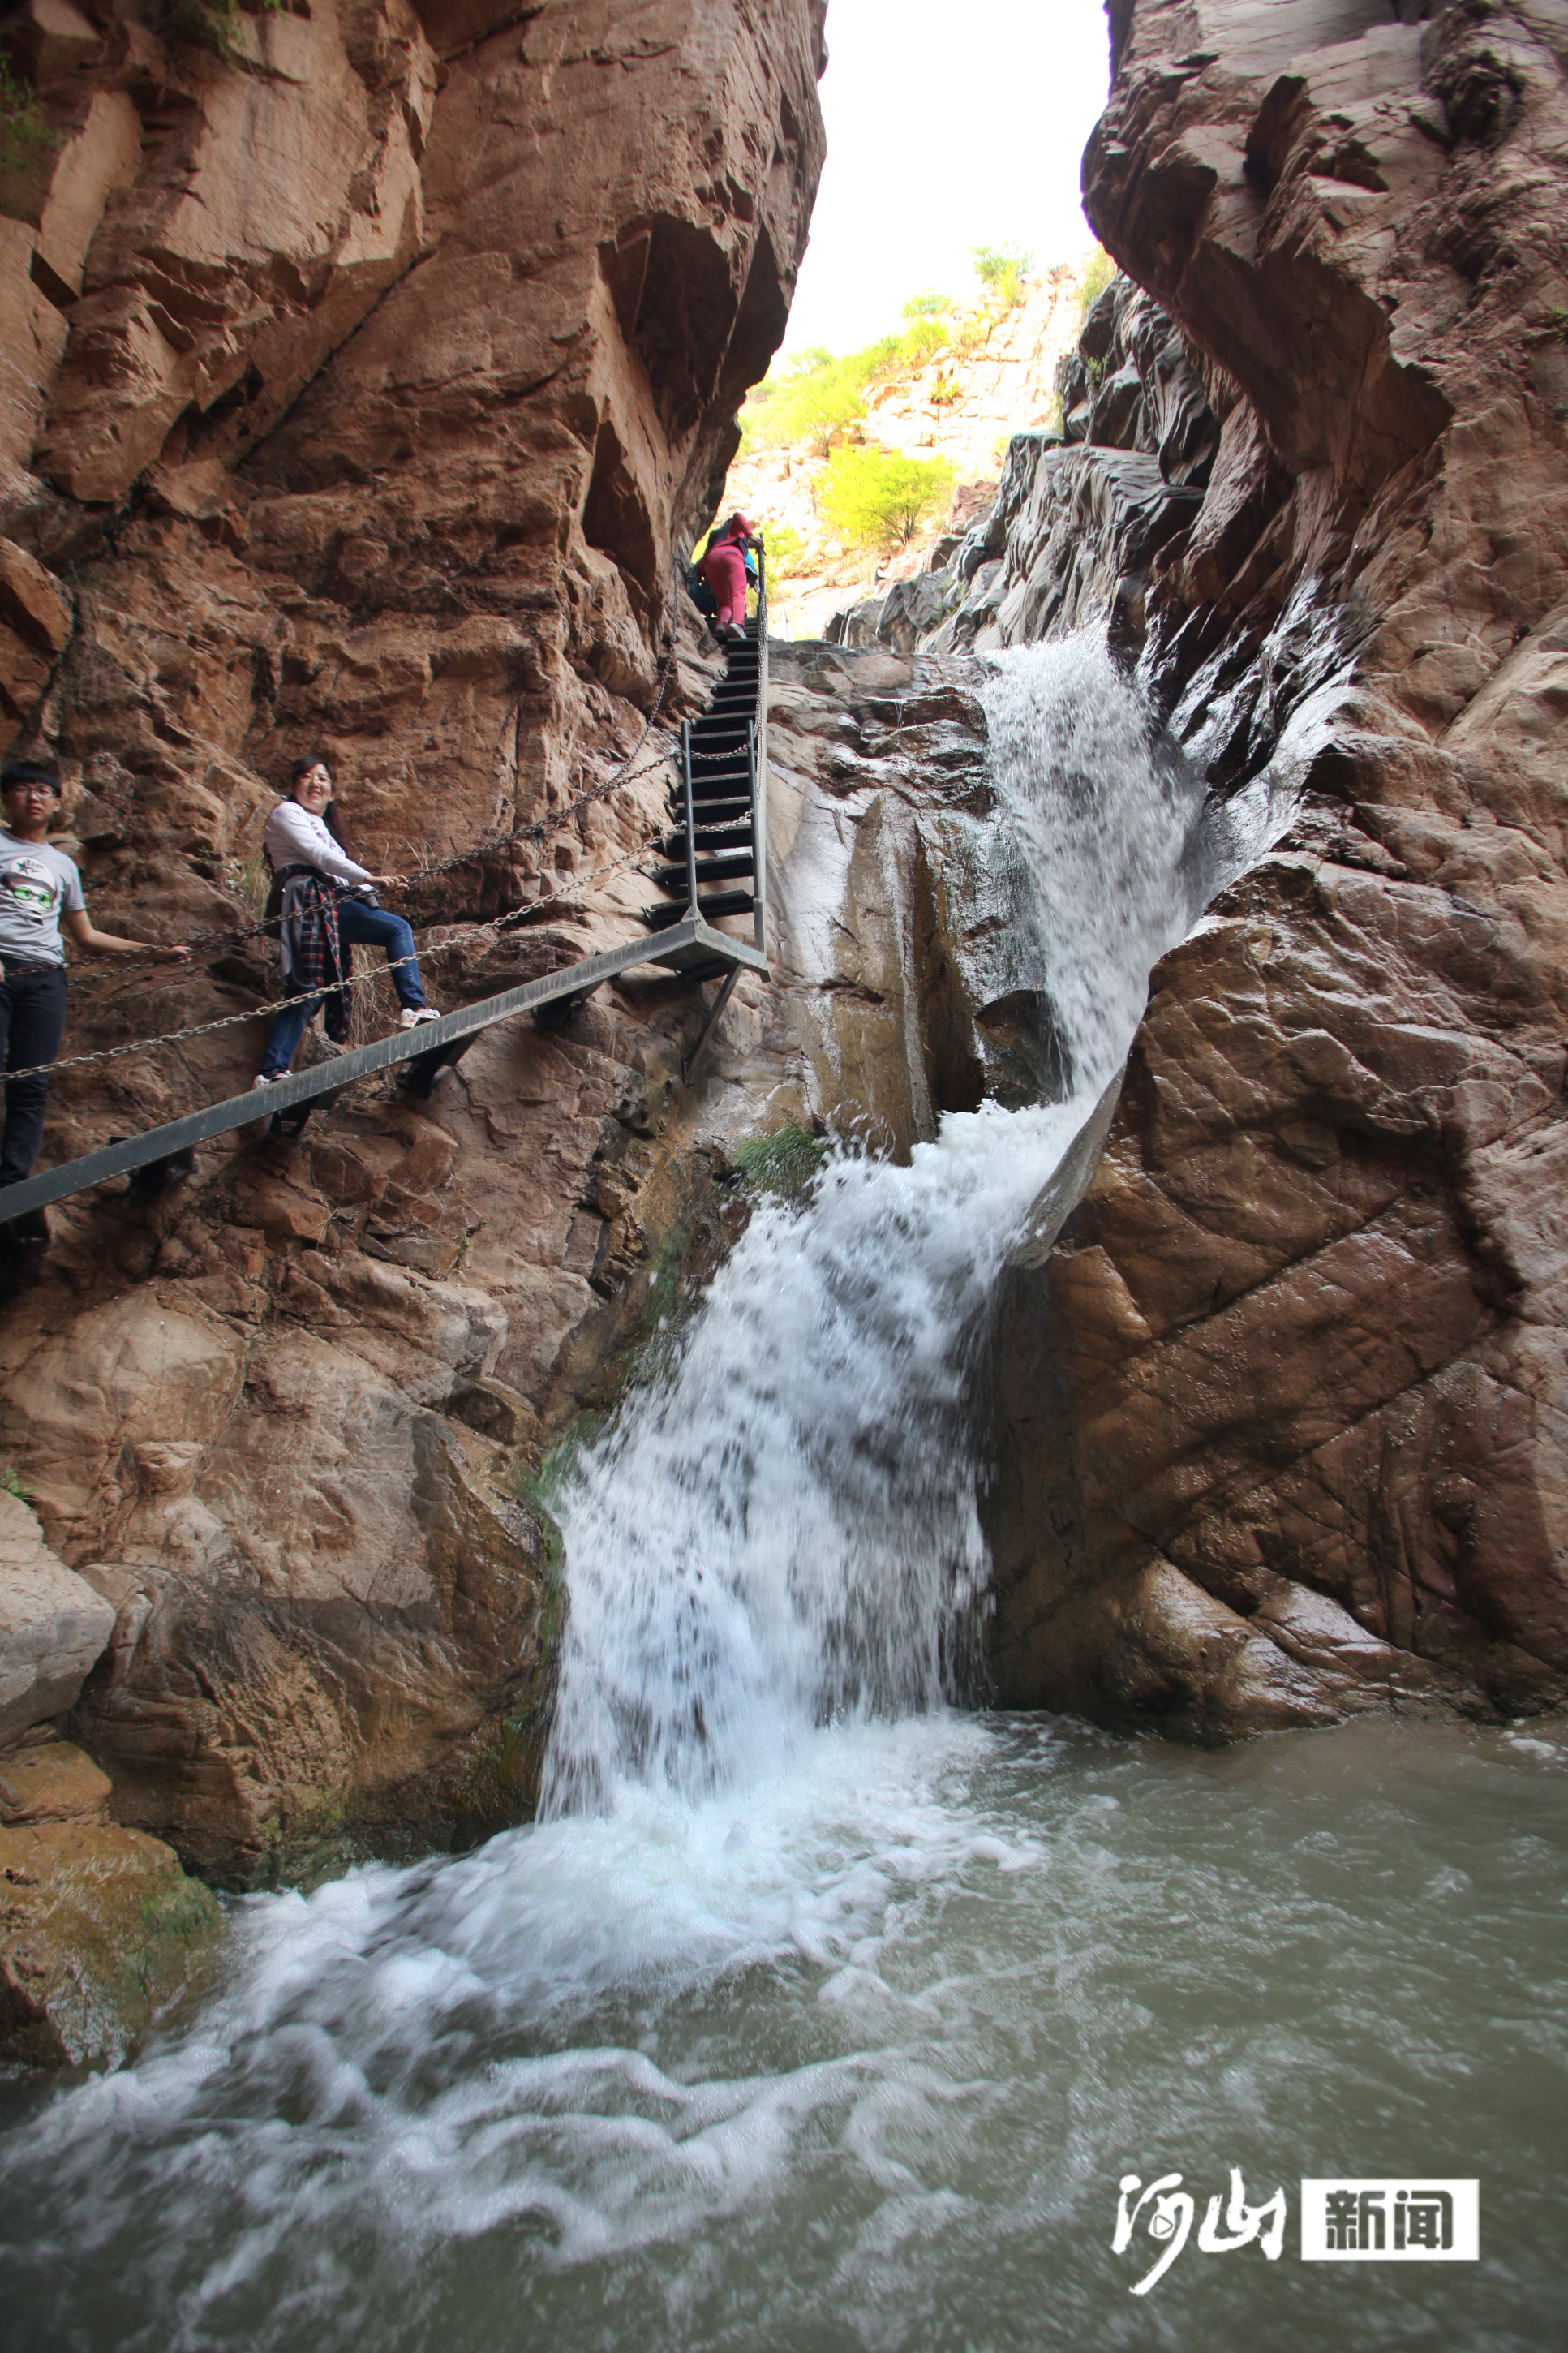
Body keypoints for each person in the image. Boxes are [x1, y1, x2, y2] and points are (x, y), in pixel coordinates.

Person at [0, 759, 190, 1204]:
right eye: (24, 789)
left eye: (43, 791)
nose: (34, 797)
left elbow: (85, 935)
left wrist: (152, 951)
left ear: (56, 802)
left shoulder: (62, 865)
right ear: (7, 797)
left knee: (31, 1082)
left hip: (45, 977)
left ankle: (10, 1185)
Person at [255, 755, 438, 1087]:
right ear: (294, 785)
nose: (315, 783)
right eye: (307, 777)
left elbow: (337, 868)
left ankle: (270, 1072)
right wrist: (371, 877)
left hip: (323, 901)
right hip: (312, 900)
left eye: (322, 779)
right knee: (397, 929)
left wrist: (380, 884)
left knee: (309, 991)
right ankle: (414, 1007)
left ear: (331, 793)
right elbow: (320, 858)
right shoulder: (287, 813)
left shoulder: (322, 827)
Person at [698, 513, 756, 642]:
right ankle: (737, 623)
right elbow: (737, 516)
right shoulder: (733, 528)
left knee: (725, 602)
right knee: (738, 593)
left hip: (710, 562)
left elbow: (701, 564)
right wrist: (750, 534)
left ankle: (721, 624)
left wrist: (697, 570)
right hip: (731, 556)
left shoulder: (716, 539)